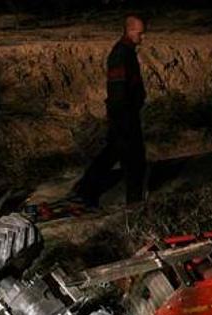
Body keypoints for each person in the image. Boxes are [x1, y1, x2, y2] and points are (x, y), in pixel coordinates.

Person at [71, 14, 147, 208]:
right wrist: (125, 114)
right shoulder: (121, 54)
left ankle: (85, 190)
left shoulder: (126, 52)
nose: (143, 37)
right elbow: (118, 88)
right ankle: (134, 202)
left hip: (124, 113)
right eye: (140, 33)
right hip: (124, 114)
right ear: (130, 31)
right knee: (132, 159)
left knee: (113, 153)